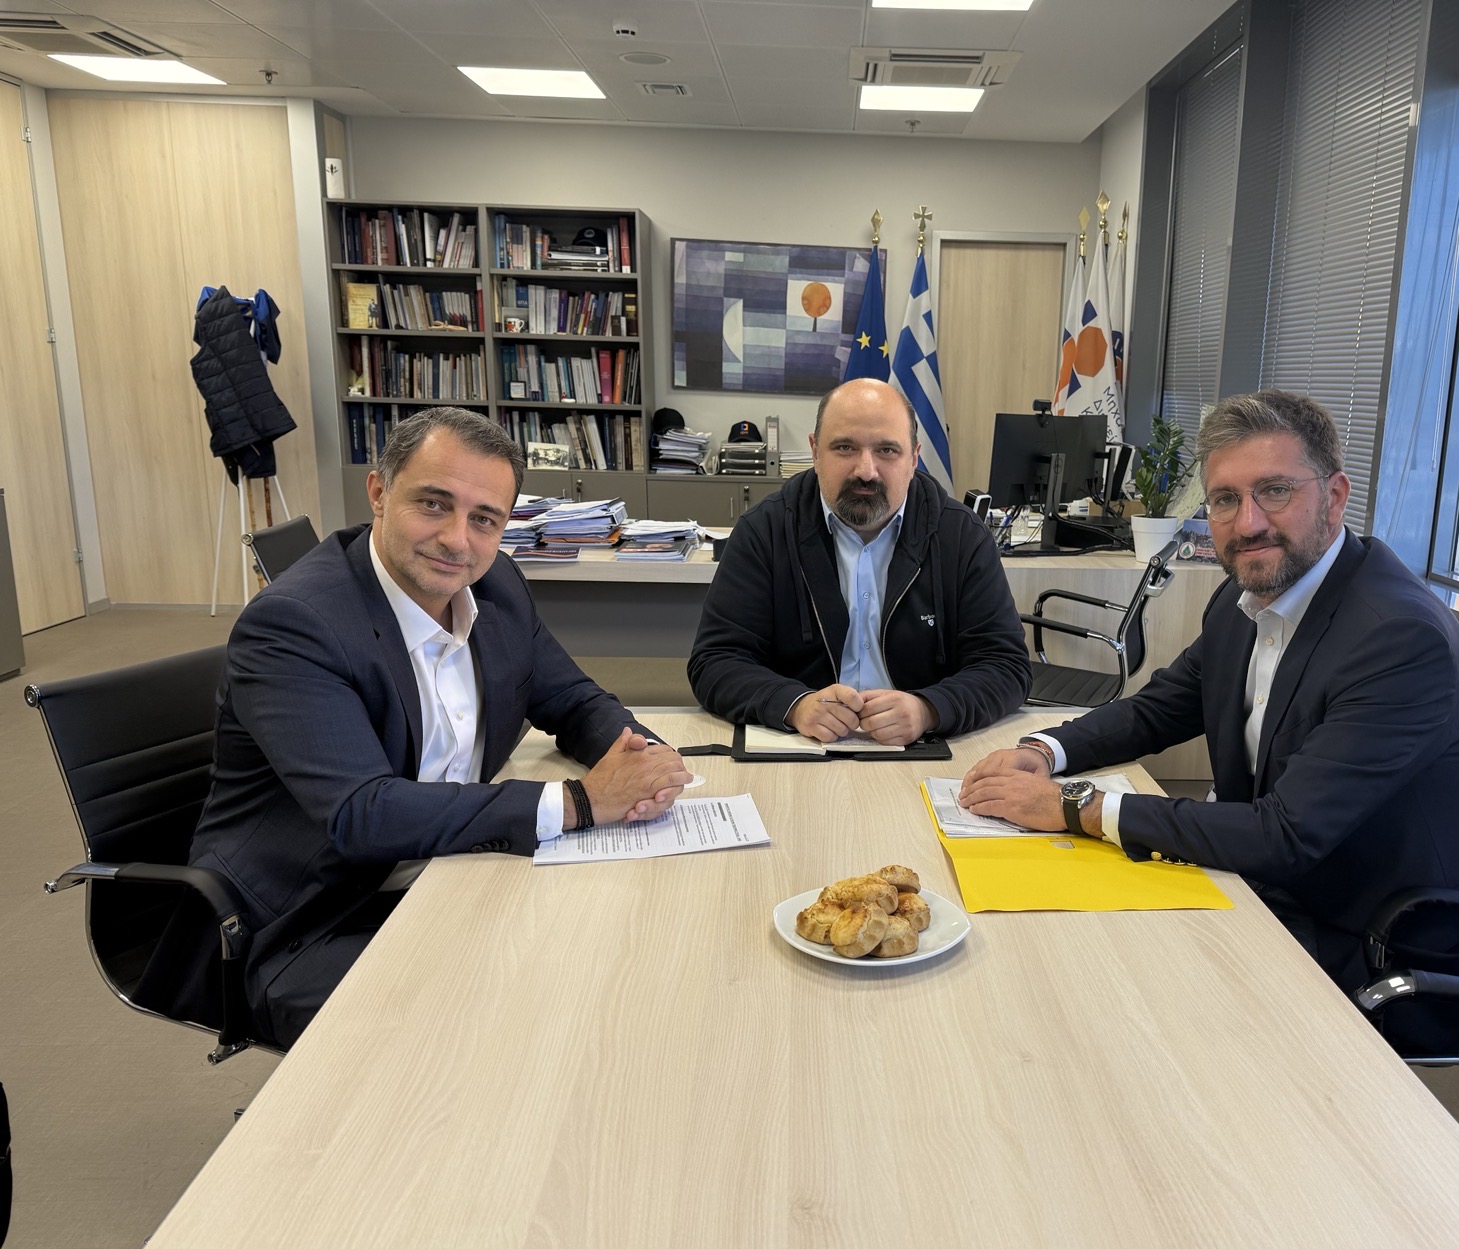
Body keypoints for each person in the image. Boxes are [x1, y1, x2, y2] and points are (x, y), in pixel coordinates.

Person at [959, 390, 1459, 1053]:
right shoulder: (1247, 595)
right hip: (1282, 887)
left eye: (1274, 491)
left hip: (1383, 944)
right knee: (1057, 950)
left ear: (1335, 497)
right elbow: (1163, 707)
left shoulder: (1397, 638)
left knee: (1113, 999)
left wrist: (1075, 806)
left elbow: (1284, 835)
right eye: (1224, 499)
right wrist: (1045, 751)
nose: (1247, 522)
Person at [180, 408, 691, 1048]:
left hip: (453, 869)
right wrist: (580, 801)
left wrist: (642, 755)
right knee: (531, 1019)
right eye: (433, 504)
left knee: (628, 954)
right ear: (378, 493)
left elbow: (571, 698)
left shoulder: (495, 584)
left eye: (485, 519)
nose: (458, 540)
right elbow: (363, 813)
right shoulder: (295, 624)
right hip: (315, 918)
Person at [687, 378, 1031, 744]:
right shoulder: (764, 530)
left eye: (887, 450)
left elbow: (1006, 666)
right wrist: (794, 705)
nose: (866, 471)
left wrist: (929, 709)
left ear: (914, 458)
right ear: (815, 451)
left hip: (921, 748)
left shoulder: (960, 535)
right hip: (800, 746)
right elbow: (716, 661)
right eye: (845, 448)